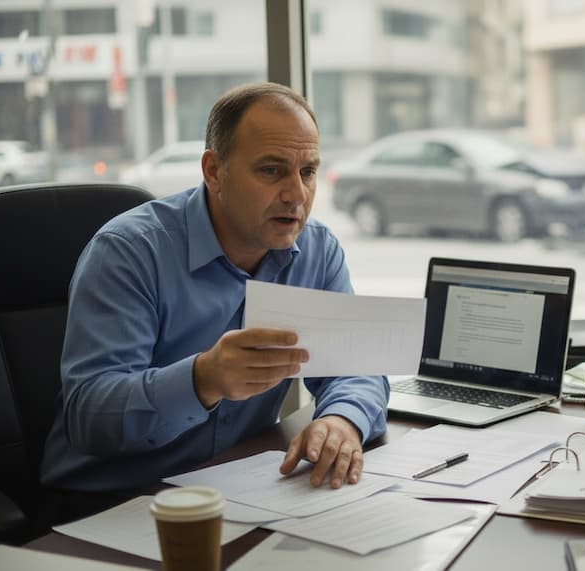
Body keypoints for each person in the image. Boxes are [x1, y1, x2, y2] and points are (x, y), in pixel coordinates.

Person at [41, 82, 388, 497]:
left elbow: (357, 366)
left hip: (236, 489)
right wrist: (202, 380)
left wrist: (342, 420)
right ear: (213, 171)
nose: (297, 194)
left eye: (308, 172)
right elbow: (90, 416)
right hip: (112, 501)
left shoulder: (317, 250)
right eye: (271, 170)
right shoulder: (129, 252)